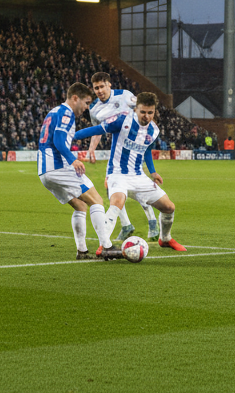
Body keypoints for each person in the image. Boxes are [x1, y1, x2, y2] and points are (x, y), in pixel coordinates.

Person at [74, 91, 187, 253]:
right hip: (117, 173)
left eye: (150, 113)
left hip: (138, 176)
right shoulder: (122, 121)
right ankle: (104, 245)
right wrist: (71, 136)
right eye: (143, 112)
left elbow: (146, 150)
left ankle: (165, 239)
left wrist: (153, 172)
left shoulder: (153, 130)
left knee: (169, 207)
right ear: (136, 109)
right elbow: (96, 130)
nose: (146, 116)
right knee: (117, 202)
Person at [39, 82, 123, 260]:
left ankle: (82, 251)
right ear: (75, 98)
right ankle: (107, 247)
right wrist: (73, 160)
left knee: (80, 205)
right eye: (86, 103)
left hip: (45, 172)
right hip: (59, 167)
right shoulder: (66, 113)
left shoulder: (54, 111)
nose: (86, 108)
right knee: (97, 200)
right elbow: (59, 140)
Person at [86, 72, 160, 241]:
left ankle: (152, 222)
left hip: (134, 144)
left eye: (102, 86)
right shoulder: (94, 108)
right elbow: (98, 130)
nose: (99, 90)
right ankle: (127, 225)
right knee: (111, 188)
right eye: (96, 88)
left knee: (137, 186)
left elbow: (143, 109)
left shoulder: (125, 95)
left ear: (109, 85)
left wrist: (148, 128)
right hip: (118, 145)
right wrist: (91, 149)